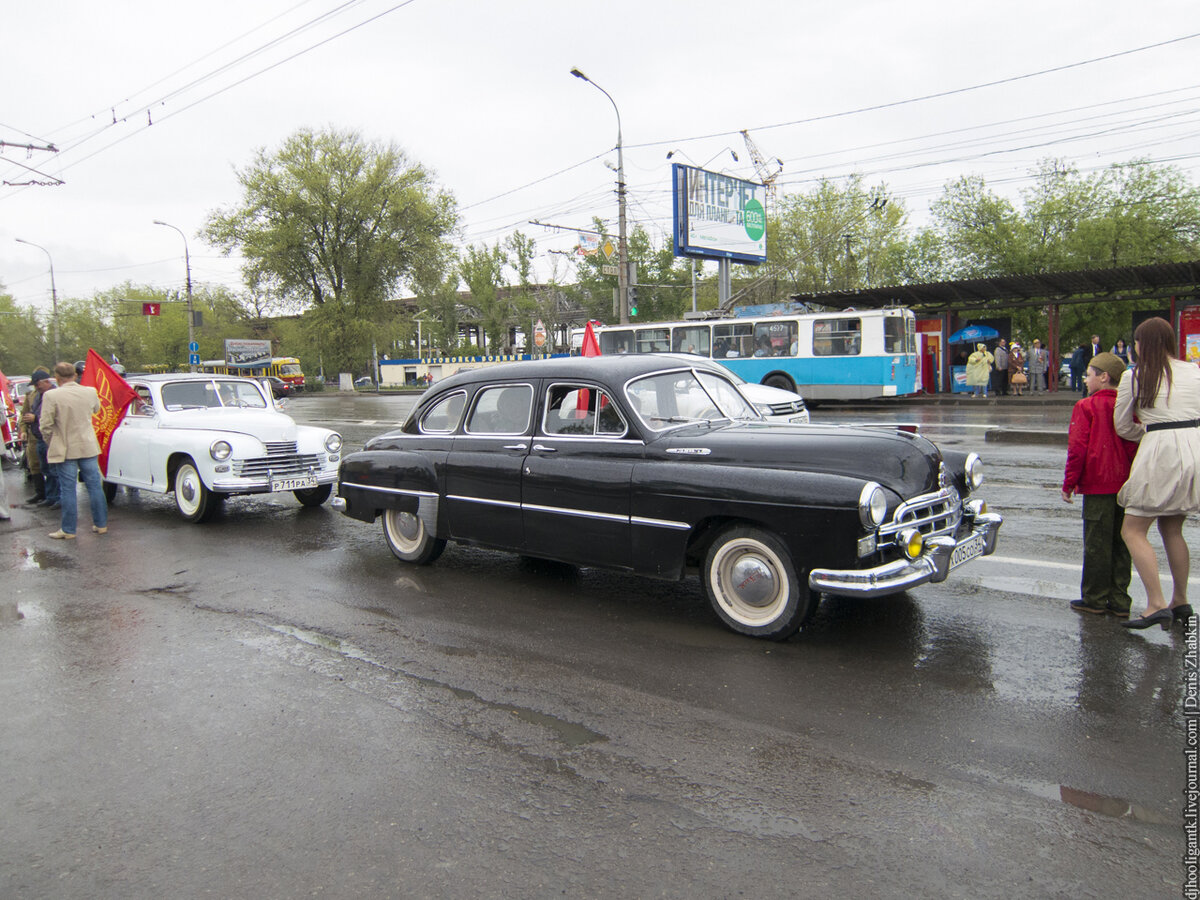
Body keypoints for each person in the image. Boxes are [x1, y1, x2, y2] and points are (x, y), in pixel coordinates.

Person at [1114, 318, 1200, 630]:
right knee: (1173, 528)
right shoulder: (1193, 370)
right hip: (1195, 446)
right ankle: (1181, 599)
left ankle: (1155, 603)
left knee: (1133, 529)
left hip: (1161, 448)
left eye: (1136, 341)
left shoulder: (1135, 376)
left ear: (1142, 344)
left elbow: (1122, 425)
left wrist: (1149, 434)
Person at [1061, 353, 1138, 617]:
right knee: (1123, 542)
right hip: (1126, 486)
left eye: (1089, 374)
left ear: (1103, 377)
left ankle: (1094, 598)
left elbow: (1077, 449)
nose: (1086, 378)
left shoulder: (1086, 406)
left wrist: (1069, 483)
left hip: (1097, 485)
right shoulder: (1127, 406)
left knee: (1096, 544)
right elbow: (1133, 446)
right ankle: (1120, 601)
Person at [38, 361, 109, 540]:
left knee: (68, 489)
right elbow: (97, 409)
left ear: (57, 377)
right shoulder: (90, 391)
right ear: (75, 375)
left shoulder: (51, 395)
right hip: (87, 444)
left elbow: (45, 425)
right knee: (94, 486)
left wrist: (50, 441)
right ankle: (101, 524)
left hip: (64, 446)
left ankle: (69, 530)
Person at [23, 369, 59, 509]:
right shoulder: (38, 395)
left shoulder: (54, 394)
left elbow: (54, 415)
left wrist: (35, 418)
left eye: (38, 384)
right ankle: (50, 496)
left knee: (54, 470)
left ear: (46, 381)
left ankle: (58, 497)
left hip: (50, 437)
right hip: (39, 437)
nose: (36, 387)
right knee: (46, 469)